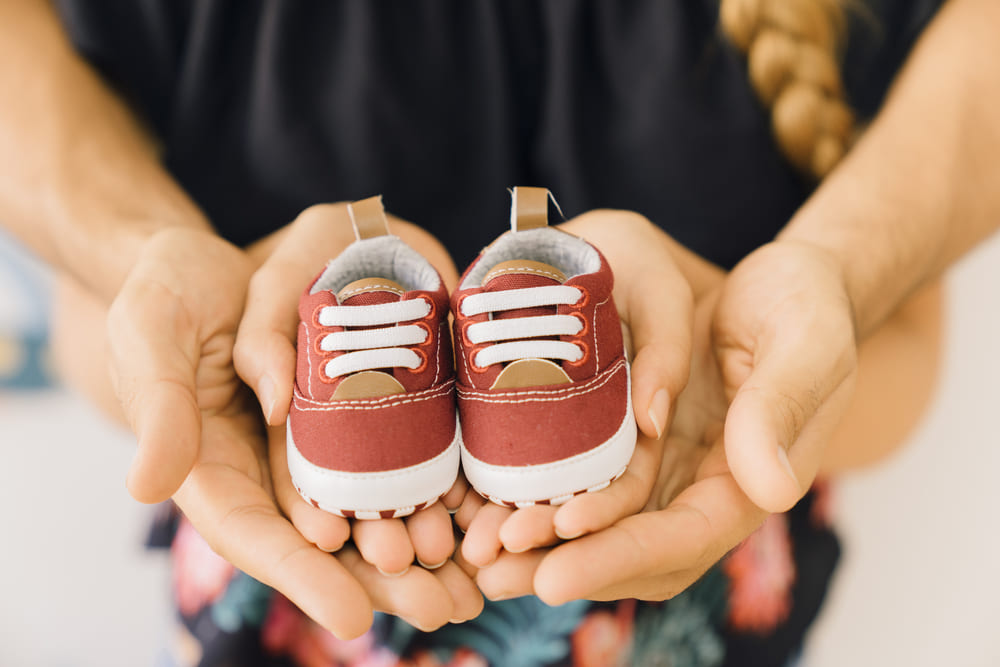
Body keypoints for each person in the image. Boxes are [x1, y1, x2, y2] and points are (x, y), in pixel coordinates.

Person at [1, 0, 997, 664]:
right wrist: (148, 271)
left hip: (702, 588)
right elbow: (108, 325)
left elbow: (903, 347)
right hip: (275, 593)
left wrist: (776, 377)